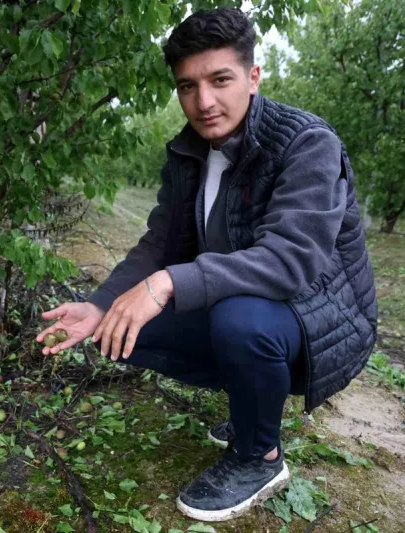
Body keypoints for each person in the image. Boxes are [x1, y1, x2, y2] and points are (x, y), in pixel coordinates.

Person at [36, 7, 377, 523]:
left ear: (253, 77)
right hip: (255, 313)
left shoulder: (307, 143)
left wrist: (170, 282)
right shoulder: (190, 152)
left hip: (321, 320)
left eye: (220, 80)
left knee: (238, 319)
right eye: (188, 86)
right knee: (121, 329)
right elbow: (160, 242)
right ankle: (251, 401)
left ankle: (259, 456)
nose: (204, 102)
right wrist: (101, 304)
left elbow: (290, 261)